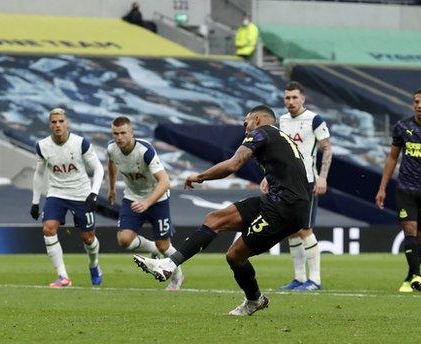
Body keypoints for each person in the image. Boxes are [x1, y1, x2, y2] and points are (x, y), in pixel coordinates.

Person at [133, 105, 310, 316]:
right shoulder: (280, 138)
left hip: (285, 206)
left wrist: (201, 176)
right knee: (215, 218)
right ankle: (169, 264)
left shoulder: (260, 133)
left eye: (246, 123)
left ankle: (254, 300)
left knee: (235, 255)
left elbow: (233, 164)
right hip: (280, 200)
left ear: (258, 120)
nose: (246, 129)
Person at [266, 81, 332, 291]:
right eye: (287, 97)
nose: (291, 101)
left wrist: (322, 177)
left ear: (302, 98)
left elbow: (327, 149)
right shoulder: (282, 121)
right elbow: (277, 152)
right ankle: (300, 278)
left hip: (307, 181)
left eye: (295, 97)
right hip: (285, 182)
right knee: (291, 231)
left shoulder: (314, 120)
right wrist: (269, 176)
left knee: (305, 229)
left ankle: (316, 280)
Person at [107, 116, 184, 290]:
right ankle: (153, 249)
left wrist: (148, 202)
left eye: (123, 133)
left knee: (164, 245)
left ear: (131, 133)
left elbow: (165, 181)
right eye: (115, 133)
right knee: (124, 240)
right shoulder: (112, 149)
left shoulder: (145, 151)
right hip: (132, 198)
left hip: (157, 199)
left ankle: (177, 276)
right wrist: (111, 188)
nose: (119, 137)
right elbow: (111, 163)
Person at [31, 108, 105, 288]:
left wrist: (94, 193)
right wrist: (35, 202)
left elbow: (98, 168)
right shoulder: (42, 146)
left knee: (88, 238)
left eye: (61, 121)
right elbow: (39, 173)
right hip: (56, 193)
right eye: (54, 122)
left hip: (81, 194)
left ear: (67, 123)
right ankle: (63, 276)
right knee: (48, 229)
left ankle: (94, 264)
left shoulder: (80, 143)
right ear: (50, 125)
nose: (57, 125)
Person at [376, 89, 421, 293]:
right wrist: (382, 187)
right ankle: (417, 276)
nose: (419, 105)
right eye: (416, 101)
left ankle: (411, 276)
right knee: (409, 228)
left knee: (420, 234)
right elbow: (392, 157)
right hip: (406, 188)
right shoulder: (402, 127)